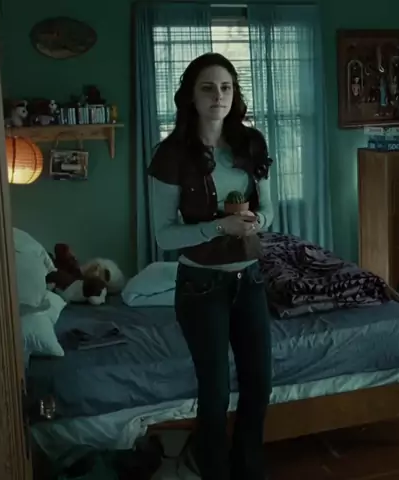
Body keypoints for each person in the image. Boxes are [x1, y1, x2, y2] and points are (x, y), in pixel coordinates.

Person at [147, 52, 275, 480]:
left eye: (226, 87)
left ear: (234, 94)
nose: (218, 95)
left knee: (259, 385)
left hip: (250, 279)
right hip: (200, 287)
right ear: (191, 96)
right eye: (208, 87)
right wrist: (218, 227)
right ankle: (213, 470)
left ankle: (249, 468)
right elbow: (164, 235)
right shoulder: (171, 154)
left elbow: (270, 209)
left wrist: (256, 222)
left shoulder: (251, 144)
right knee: (216, 391)